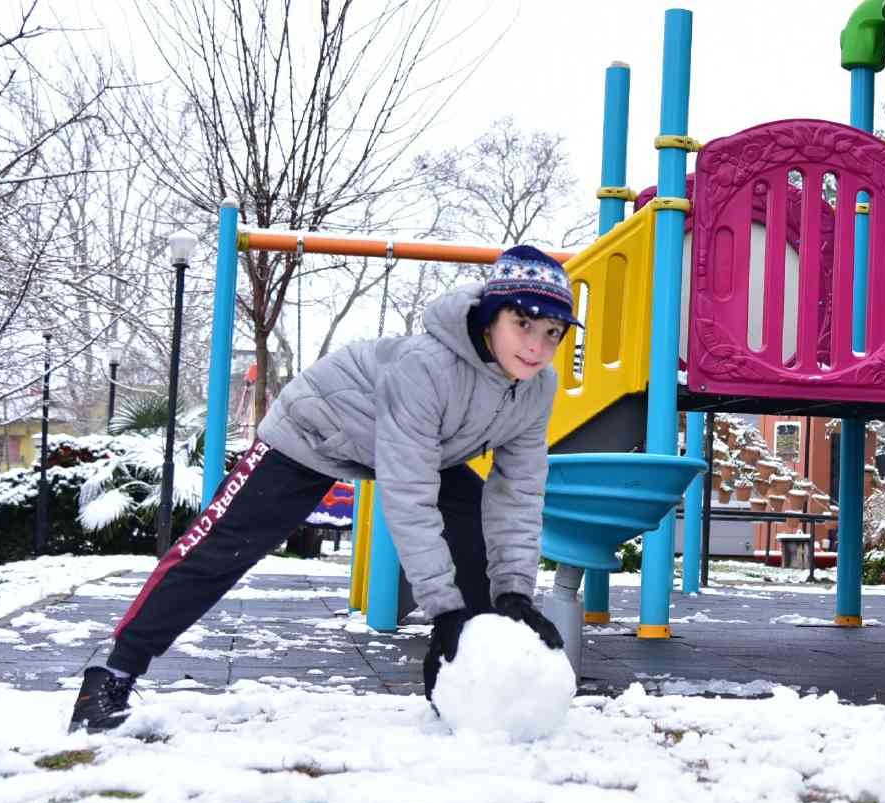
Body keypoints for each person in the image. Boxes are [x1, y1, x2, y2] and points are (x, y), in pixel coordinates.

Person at [69, 245, 579, 733]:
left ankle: (458, 692)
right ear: (491, 315)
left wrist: (515, 593)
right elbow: (408, 494)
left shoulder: (538, 386)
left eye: (553, 332)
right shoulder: (427, 366)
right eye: (523, 323)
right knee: (224, 546)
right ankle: (110, 678)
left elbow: (519, 494)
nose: (537, 346)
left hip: (419, 448)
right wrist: (442, 609)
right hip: (314, 430)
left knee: (479, 541)